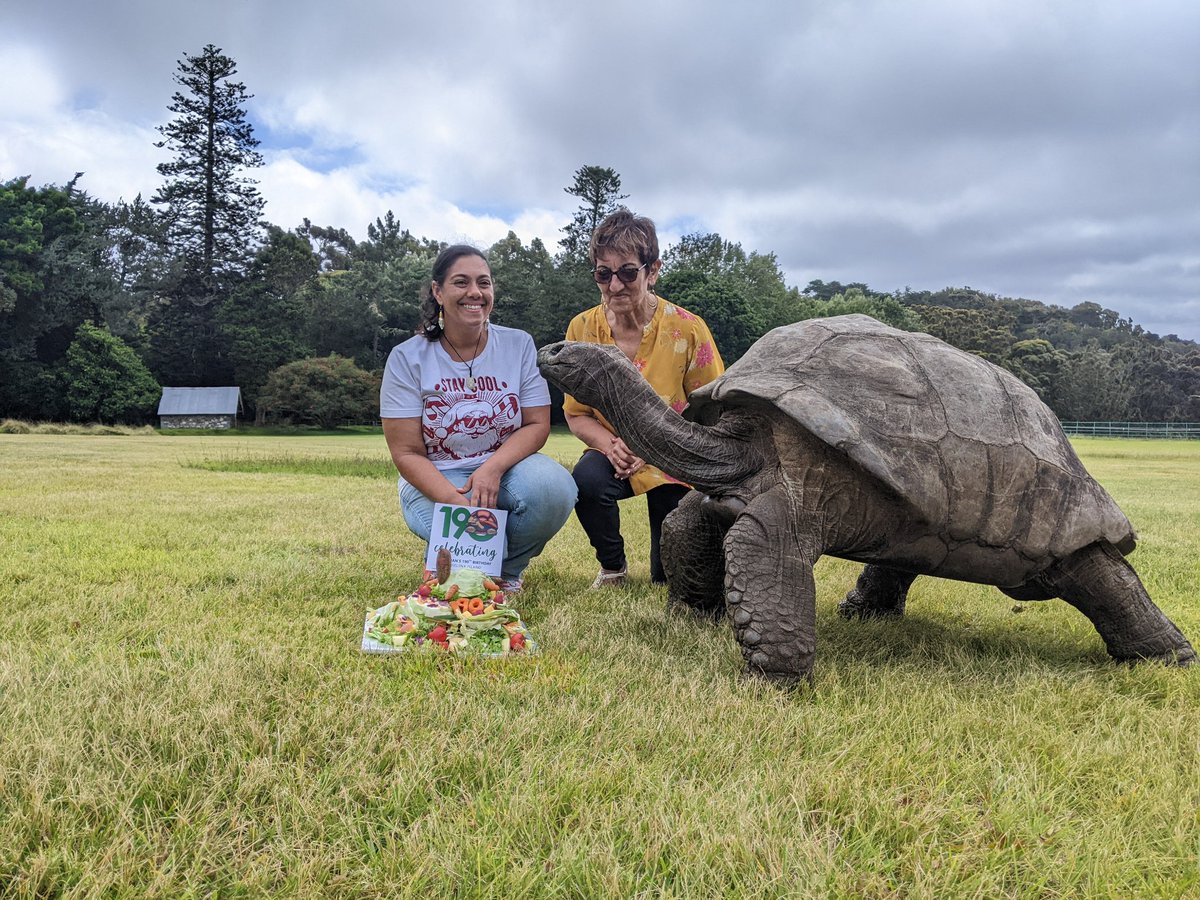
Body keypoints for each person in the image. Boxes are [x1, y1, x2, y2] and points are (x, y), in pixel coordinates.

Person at [380, 244, 577, 592]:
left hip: (504, 471)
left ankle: (506, 571)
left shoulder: (518, 345)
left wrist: (492, 468)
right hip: (436, 476)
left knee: (554, 488)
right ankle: (472, 564)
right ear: (438, 292)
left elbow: (536, 424)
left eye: (483, 283)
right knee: (463, 557)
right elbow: (406, 453)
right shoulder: (405, 358)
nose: (475, 292)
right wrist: (459, 506)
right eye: (461, 282)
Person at [563, 210, 725, 588]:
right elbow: (576, 413)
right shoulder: (582, 328)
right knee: (586, 481)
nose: (615, 285)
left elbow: (712, 411)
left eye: (628, 272)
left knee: (667, 577)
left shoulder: (688, 328)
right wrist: (611, 446)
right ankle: (613, 567)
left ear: (653, 271)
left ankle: (665, 566)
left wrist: (654, 445)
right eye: (604, 273)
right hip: (613, 451)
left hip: (674, 455)